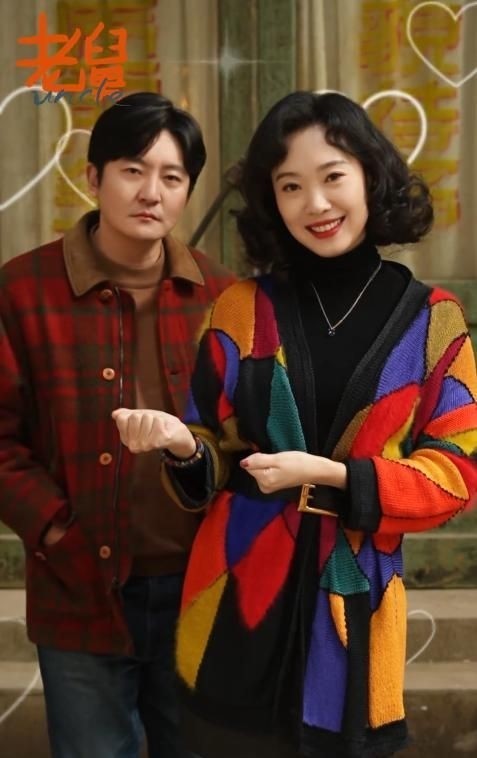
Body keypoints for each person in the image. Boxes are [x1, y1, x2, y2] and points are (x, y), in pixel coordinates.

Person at [113, 92, 477, 758]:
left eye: (332, 176)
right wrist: (181, 446)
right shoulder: (239, 309)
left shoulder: (434, 321)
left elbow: (456, 473)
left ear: (370, 176)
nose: (315, 203)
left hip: (354, 605)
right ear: (271, 201)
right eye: (290, 186)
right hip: (234, 598)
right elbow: (212, 448)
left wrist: (336, 477)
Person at [0, 91, 235, 758]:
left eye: (172, 176)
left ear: (188, 189)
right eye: (133, 170)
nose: (151, 192)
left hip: (197, 586)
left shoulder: (221, 296)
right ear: (93, 176)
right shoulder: (22, 291)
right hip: (79, 584)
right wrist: (55, 529)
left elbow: (243, 437)